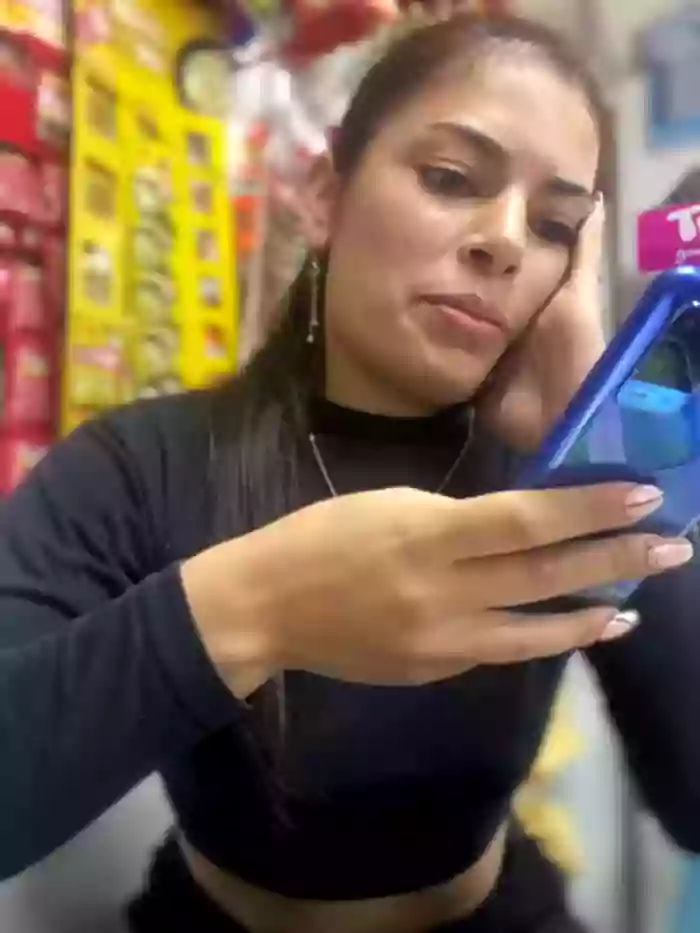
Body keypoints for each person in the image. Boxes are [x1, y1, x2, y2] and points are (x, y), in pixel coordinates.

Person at [2, 12, 699, 933]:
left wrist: (608, 453)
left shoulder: (549, 478)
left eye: (554, 225)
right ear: (327, 196)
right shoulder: (137, 465)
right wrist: (253, 608)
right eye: (451, 178)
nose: (503, 240)